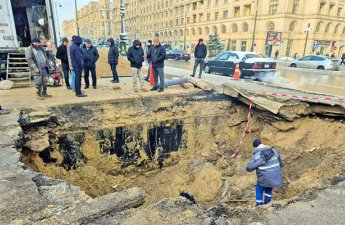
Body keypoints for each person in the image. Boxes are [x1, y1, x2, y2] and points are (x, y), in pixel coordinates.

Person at [246, 139, 283, 207]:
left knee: (259, 188)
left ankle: (258, 205)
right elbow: (281, 162)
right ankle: (267, 203)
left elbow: (249, 168)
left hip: (264, 178)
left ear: (255, 147)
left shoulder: (258, 155)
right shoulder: (274, 151)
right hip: (275, 176)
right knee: (269, 186)